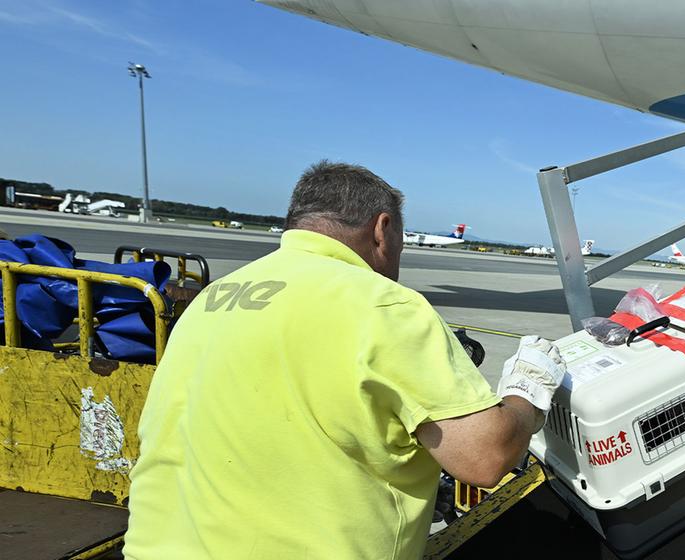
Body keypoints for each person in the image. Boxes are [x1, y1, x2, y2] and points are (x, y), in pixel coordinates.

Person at [124, 161, 565, 559]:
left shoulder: (216, 295)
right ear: (382, 228)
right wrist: (526, 389)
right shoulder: (384, 304)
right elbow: (484, 459)